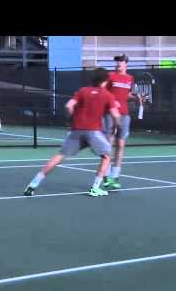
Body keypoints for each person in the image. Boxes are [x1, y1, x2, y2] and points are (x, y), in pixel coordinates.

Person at [24, 68, 121, 197]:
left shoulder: (82, 91)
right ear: (105, 80)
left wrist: (71, 118)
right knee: (107, 156)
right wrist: (116, 127)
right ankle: (95, 187)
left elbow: (69, 106)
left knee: (59, 156)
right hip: (94, 132)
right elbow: (116, 115)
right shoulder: (108, 95)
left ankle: (33, 184)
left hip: (76, 131)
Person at [102, 54, 144, 190]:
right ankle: (106, 176)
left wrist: (137, 98)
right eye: (117, 61)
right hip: (110, 113)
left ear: (126, 64)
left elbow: (127, 95)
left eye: (121, 61)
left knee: (120, 145)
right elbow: (103, 91)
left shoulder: (130, 78)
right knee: (108, 144)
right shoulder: (110, 76)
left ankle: (115, 177)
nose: (118, 63)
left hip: (124, 115)